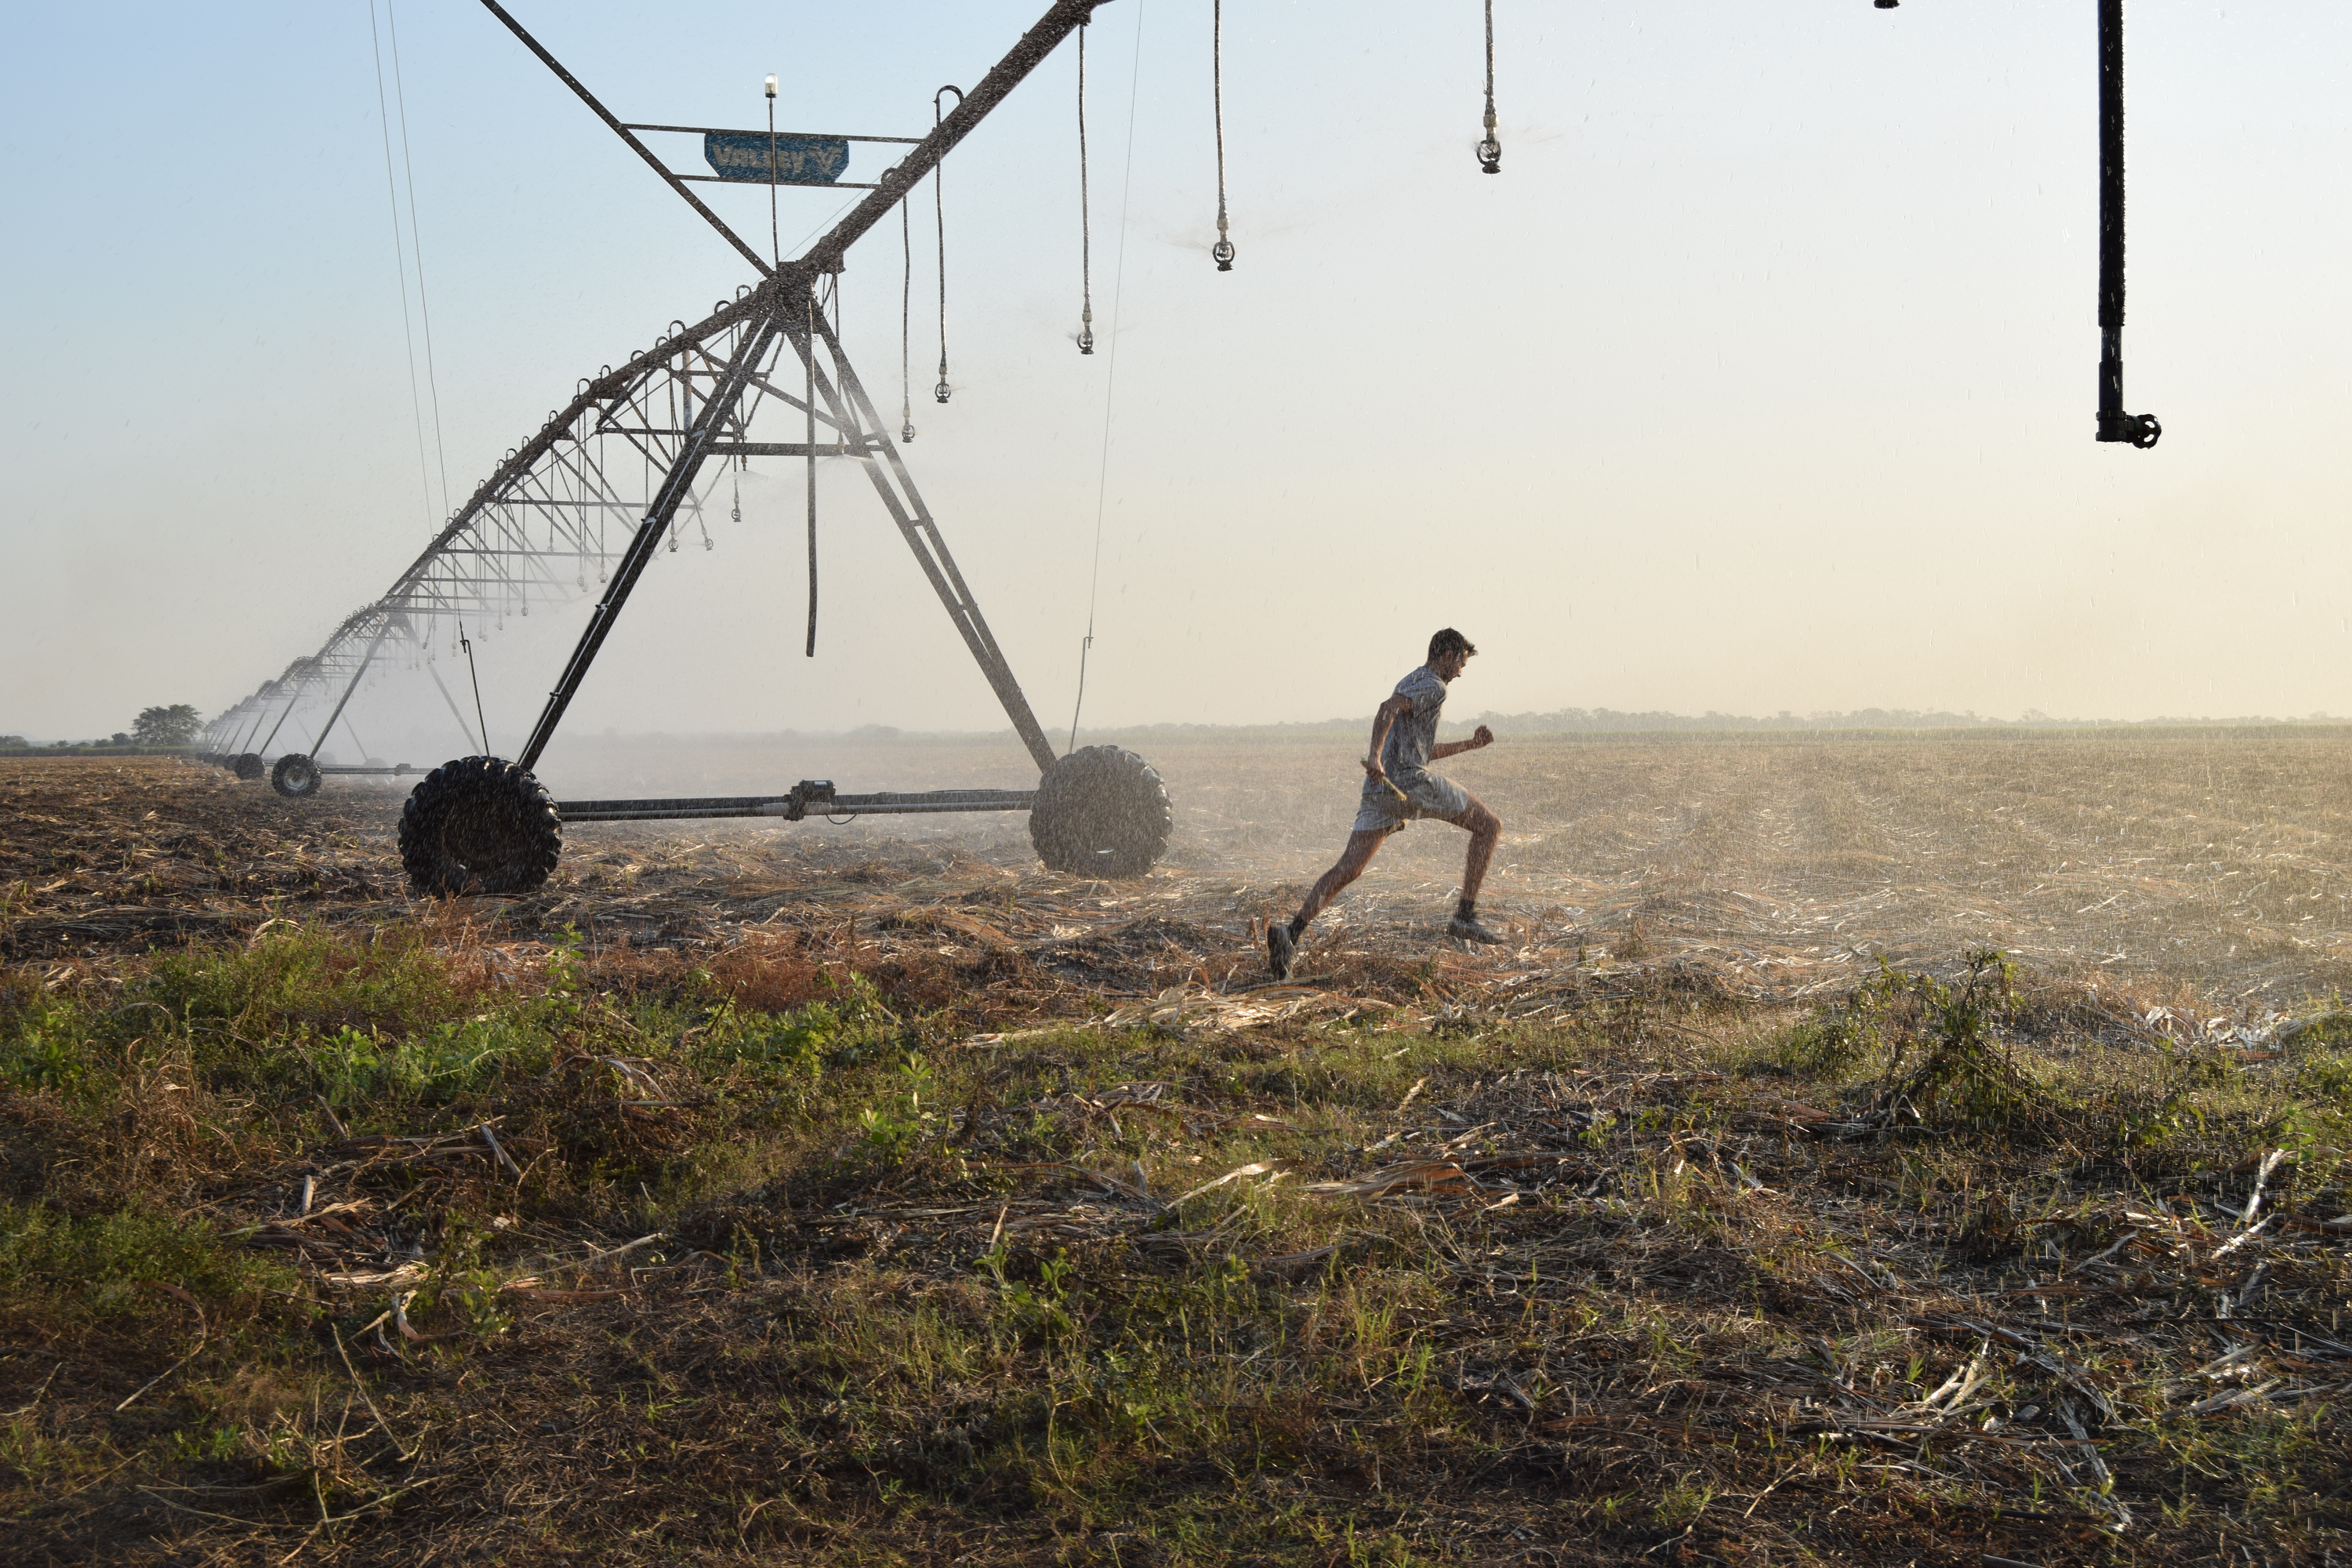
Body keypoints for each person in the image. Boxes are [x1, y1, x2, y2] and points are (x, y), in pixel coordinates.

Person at [1268, 628, 1504, 979]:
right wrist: (1375, 756)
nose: (1460, 673)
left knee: (1346, 870)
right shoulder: (1433, 685)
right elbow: (1387, 709)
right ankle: (1465, 916)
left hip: (1380, 791)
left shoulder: (1411, 681)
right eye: (1461, 664)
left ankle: (1291, 932)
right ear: (1448, 655)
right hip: (1409, 783)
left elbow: (1422, 750)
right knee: (1489, 826)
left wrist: (1470, 745)